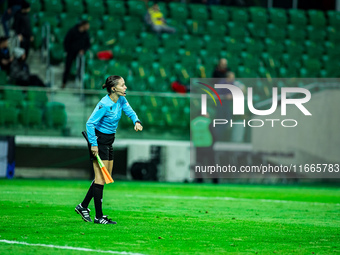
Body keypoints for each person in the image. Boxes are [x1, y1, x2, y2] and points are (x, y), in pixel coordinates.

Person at [75, 75, 143, 224]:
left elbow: (130, 111)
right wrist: (93, 144)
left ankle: (83, 206)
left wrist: (136, 121)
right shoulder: (104, 104)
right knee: (100, 178)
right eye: (123, 85)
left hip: (109, 141)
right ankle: (99, 217)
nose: (125, 87)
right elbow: (90, 124)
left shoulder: (121, 99)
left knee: (105, 176)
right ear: (114, 88)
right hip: (99, 141)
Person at [62, 20, 90, 88]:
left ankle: (79, 83)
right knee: (67, 68)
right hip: (71, 52)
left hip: (79, 54)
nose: (88, 27)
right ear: (83, 25)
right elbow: (66, 41)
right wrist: (67, 50)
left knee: (81, 68)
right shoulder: (73, 31)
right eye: (87, 25)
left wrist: (83, 50)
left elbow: (88, 44)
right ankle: (64, 83)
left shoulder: (86, 34)